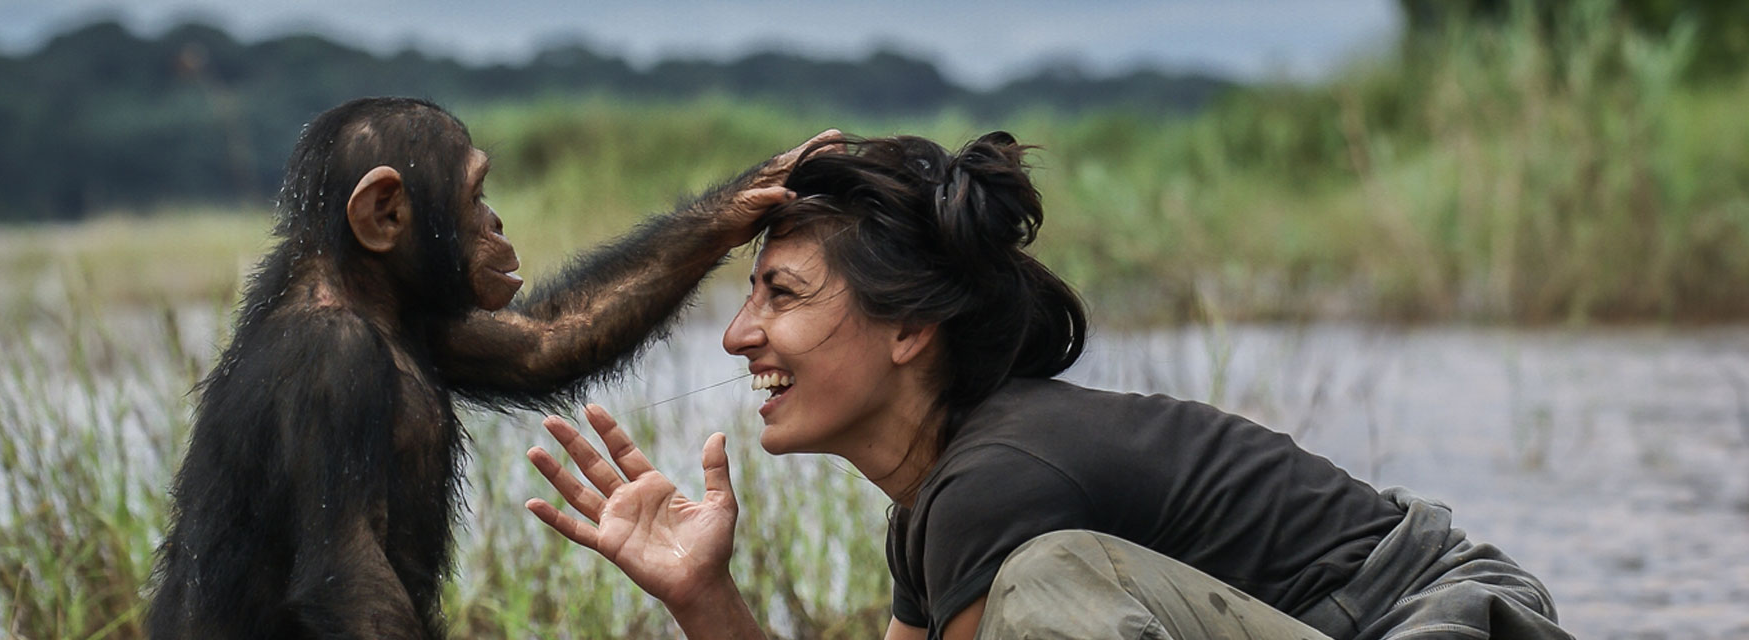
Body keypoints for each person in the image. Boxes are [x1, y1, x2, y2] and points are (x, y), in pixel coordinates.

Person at [522, 133, 1573, 639]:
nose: (740, 335)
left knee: (1049, 580)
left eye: (782, 295)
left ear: (913, 327)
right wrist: (706, 595)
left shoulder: (994, 485)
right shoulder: (940, 504)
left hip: (1449, 621)